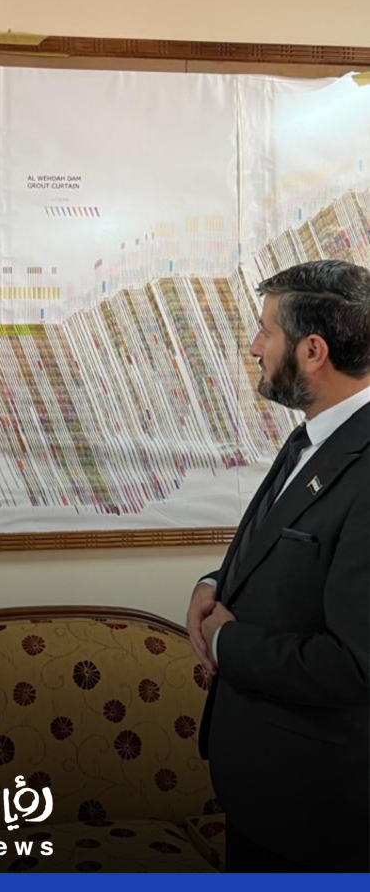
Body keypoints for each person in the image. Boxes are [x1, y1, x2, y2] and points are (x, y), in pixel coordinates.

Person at [186, 259, 370, 873]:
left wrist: (226, 642)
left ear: (312, 350)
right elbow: (280, 550)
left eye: (265, 331)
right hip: (266, 792)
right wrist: (215, 584)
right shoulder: (315, 436)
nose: (254, 347)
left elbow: (357, 665)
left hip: (321, 814)